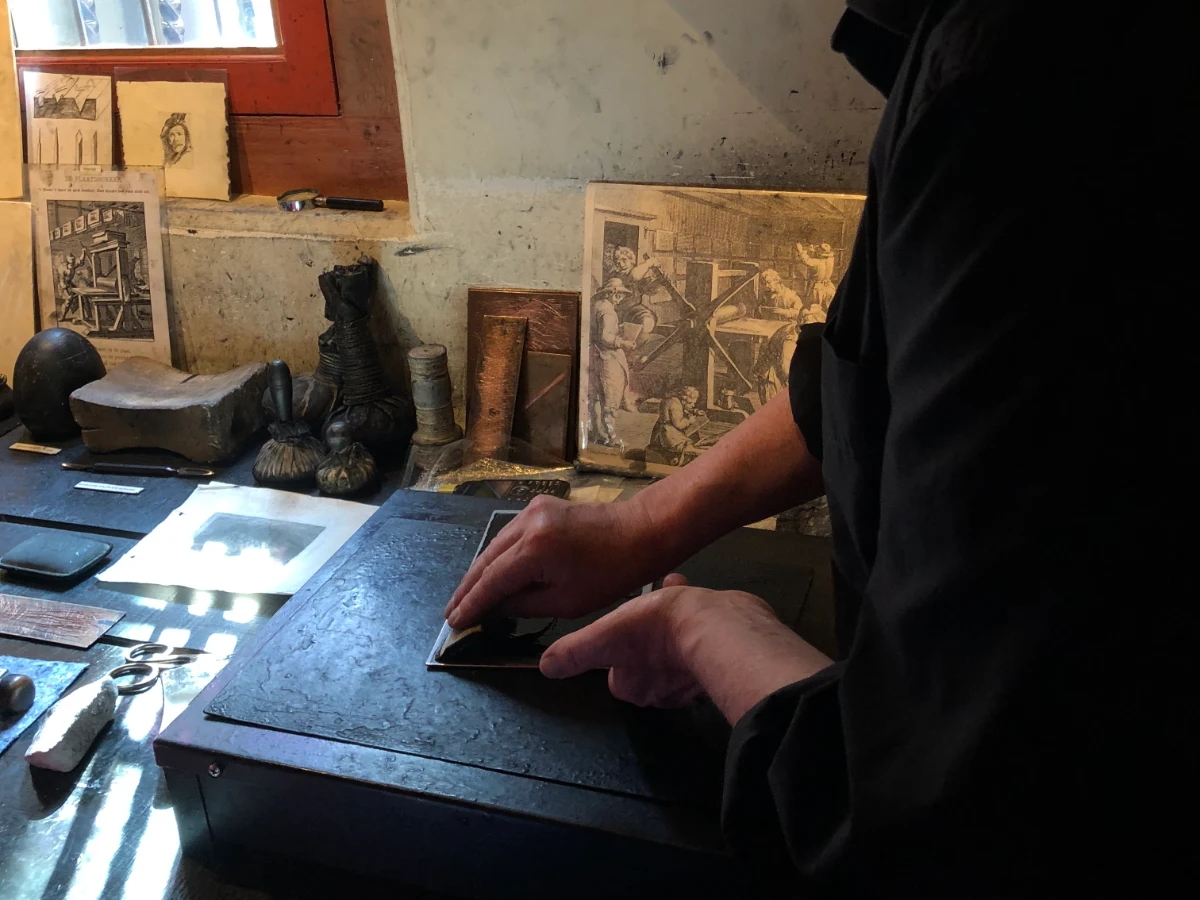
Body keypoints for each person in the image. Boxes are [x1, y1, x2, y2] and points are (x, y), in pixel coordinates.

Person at [447, 0, 1191, 893]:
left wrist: (710, 628)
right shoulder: (957, 55)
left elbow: (920, 802)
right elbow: (856, 375)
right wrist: (639, 525)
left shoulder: (1018, 78)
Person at [589, 278, 638, 447]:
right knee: (611, 397)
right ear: (611, 293)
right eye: (618, 295)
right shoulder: (608, 311)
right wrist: (624, 342)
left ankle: (597, 432)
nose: (620, 299)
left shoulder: (596, 305)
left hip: (595, 355)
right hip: (608, 358)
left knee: (596, 397)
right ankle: (610, 436)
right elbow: (605, 337)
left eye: (622, 295)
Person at [605, 246, 661, 343]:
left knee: (647, 322)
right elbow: (633, 276)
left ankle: (635, 347)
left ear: (631, 260)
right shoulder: (615, 275)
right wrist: (649, 263)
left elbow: (649, 289)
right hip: (617, 311)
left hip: (634, 310)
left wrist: (660, 281)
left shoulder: (637, 275)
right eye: (617, 262)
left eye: (624, 260)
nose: (621, 264)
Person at [648, 385, 706, 463]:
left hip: (662, 430)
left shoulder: (674, 400)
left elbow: (684, 408)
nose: (693, 405)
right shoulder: (675, 405)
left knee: (693, 438)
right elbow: (679, 424)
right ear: (684, 400)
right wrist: (689, 421)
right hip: (668, 433)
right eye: (691, 403)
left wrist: (695, 411)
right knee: (690, 444)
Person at [795, 242, 838, 313]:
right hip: (829, 288)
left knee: (812, 309)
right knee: (826, 310)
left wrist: (801, 250)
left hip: (818, 289)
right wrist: (813, 251)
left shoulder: (817, 263)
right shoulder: (830, 260)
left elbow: (806, 260)